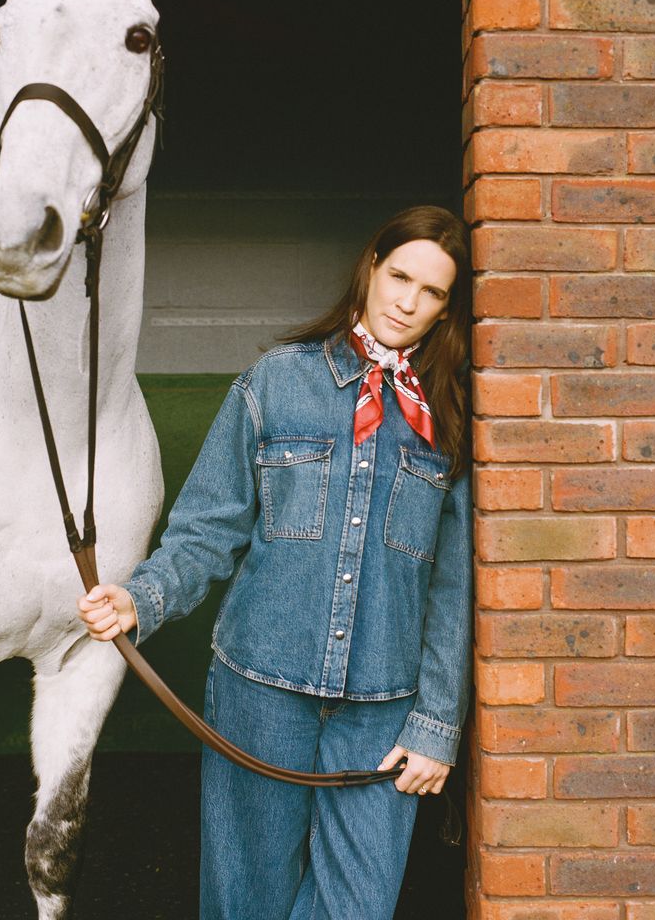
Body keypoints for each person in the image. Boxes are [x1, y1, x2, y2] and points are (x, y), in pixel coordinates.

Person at [77, 204, 473, 920]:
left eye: (433, 292)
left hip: (382, 709)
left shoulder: (449, 417)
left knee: (358, 906)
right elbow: (208, 528)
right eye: (399, 276)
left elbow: (453, 588)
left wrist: (435, 725)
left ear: (447, 310)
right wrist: (143, 597)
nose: (407, 302)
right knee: (245, 902)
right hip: (259, 687)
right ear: (371, 271)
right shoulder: (275, 382)